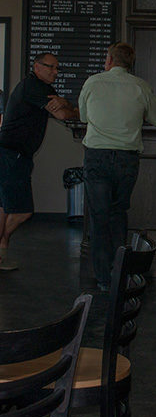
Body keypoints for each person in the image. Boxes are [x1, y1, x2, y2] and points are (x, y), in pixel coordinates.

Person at [78, 42, 156, 290]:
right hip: (127, 158)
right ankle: (120, 272)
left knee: (98, 217)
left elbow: (83, 116)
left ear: (110, 60)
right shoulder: (140, 86)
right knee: (117, 215)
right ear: (130, 63)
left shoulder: (93, 83)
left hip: (97, 156)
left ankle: (103, 278)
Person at [0, 53, 77, 270]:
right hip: (11, 154)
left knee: (4, 207)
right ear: (37, 66)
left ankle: (1, 252)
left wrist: (65, 103)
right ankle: (2, 244)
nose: (55, 72)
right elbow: (63, 115)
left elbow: (64, 108)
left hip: (12, 153)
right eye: (50, 67)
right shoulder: (33, 86)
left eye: (57, 68)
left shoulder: (43, 89)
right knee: (23, 211)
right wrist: (66, 105)